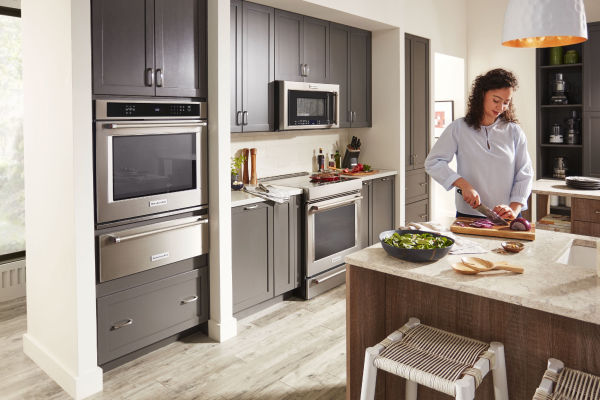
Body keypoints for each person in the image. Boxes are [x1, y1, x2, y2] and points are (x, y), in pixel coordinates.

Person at [425, 68, 533, 219]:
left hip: (507, 215)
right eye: (496, 100)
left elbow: (524, 173)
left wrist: (513, 210)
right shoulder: (458, 128)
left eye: (506, 102)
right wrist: (463, 184)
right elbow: (433, 163)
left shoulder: (514, 131)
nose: (501, 107)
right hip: (469, 214)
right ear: (482, 94)